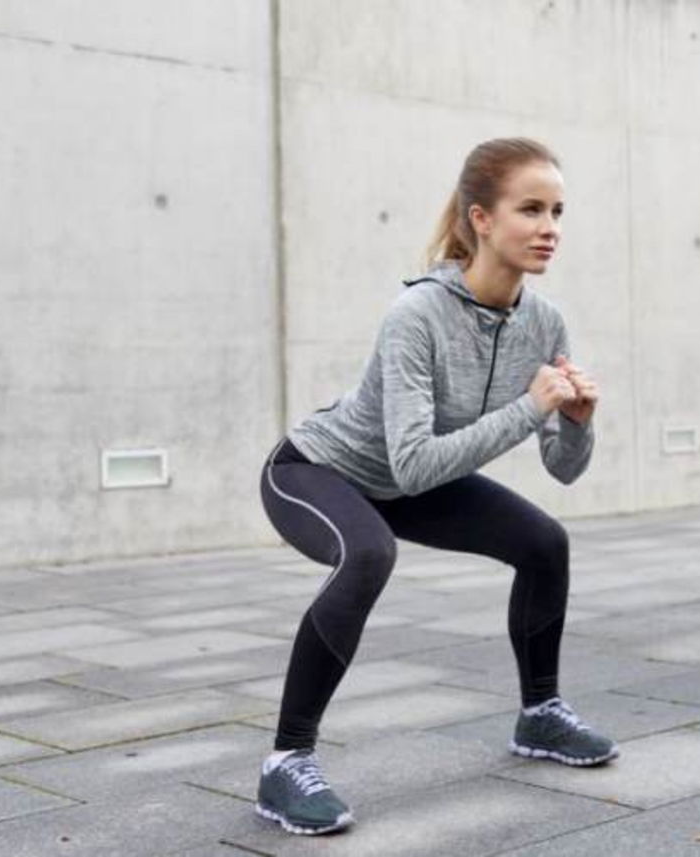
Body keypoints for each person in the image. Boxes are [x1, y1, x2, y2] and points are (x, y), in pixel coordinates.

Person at [255, 137, 617, 836]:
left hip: (411, 477)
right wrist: (528, 407)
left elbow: (563, 468)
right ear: (481, 219)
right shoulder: (415, 316)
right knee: (367, 554)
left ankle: (540, 712)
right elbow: (415, 463)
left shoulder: (544, 322)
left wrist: (575, 422)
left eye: (559, 211)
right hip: (316, 470)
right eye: (531, 209)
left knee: (545, 542)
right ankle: (286, 761)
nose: (550, 228)